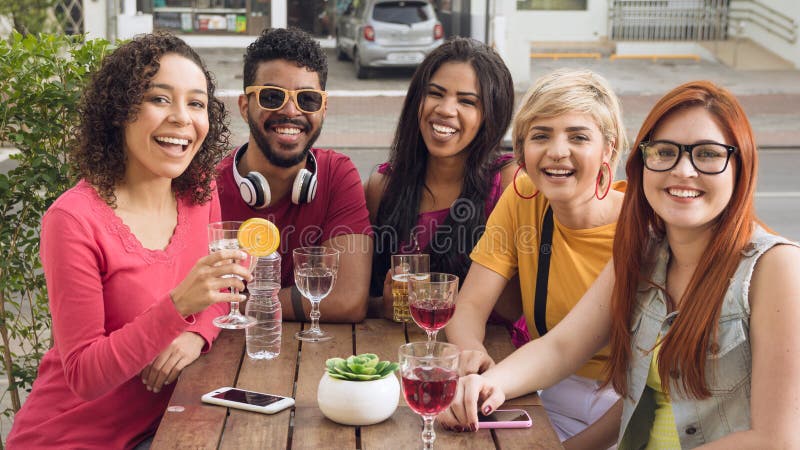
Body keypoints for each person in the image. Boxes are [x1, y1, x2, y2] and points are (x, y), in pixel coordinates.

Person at [444, 81, 800, 448]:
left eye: (707, 154)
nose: (684, 170)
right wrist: (489, 383)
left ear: (741, 166)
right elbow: (563, 347)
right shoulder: (645, 249)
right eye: (665, 152)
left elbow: (776, 440)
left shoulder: (776, 267)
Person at [7, 32, 247, 448]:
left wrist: (197, 333)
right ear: (119, 111)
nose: (181, 118)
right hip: (74, 438)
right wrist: (178, 308)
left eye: (196, 103)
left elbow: (221, 288)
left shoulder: (199, 192)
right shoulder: (73, 219)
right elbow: (83, 375)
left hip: (164, 428)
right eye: (159, 98)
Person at [443, 68, 629, 446]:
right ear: (523, 149)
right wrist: (475, 364)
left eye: (578, 136)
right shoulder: (523, 197)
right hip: (549, 387)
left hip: (627, 404)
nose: (557, 151)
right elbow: (470, 306)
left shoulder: (643, 225)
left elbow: (654, 393)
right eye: (541, 135)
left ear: (608, 149)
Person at [216, 27, 373, 323]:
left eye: (308, 99)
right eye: (272, 97)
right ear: (244, 106)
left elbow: (348, 300)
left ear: (323, 109)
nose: (290, 111)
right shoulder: (209, 187)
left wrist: (239, 304)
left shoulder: (338, 174)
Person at [365, 37, 517, 319]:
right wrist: (383, 307)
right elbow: (364, 297)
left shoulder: (509, 185)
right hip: (401, 352)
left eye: (467, 101)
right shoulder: (382, 187)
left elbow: (516, 308)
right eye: (435, 93)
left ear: (492, 114)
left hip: (491, 355)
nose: (446, 109)